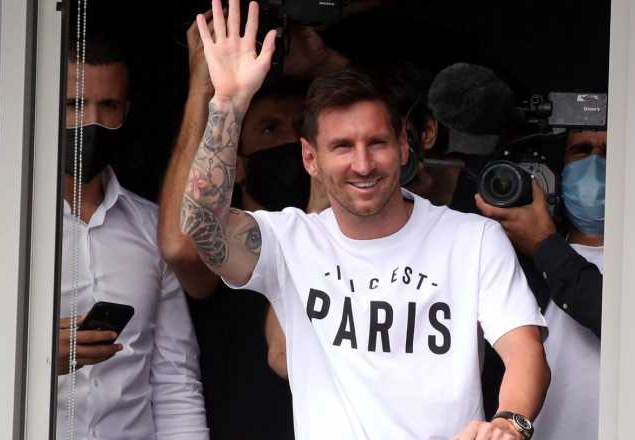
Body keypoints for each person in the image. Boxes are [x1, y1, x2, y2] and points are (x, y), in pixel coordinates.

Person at [179, 2, 549, 439]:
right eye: (342, 147)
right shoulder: (288, 240)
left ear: (404, 147)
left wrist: (510, 422)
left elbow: (525, 350)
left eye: (377, 143)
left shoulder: (473, 238)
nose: (362, 164)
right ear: (310, 158)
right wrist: (228, 103)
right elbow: (202, 226)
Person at [0, 33, 208, 440]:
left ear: (125, 112)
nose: (91, 121)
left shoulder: (151, 226)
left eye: (108, 106)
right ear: (43, 107)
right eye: (74, 105)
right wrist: (29, 358)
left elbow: (175, 380)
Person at [157, 12, 310, 439]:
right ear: (236, 162)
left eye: (300, 130)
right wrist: (204, 87)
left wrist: (321, 61)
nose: (288, 142)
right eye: (269, 129)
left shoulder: (339, 236)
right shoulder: (224, 247)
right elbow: (180, 246)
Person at [475, 128, 607, 440]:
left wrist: (545, 244)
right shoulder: (518, 263)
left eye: (608, 152)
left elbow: (618, 320)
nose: (595, 164)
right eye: (581, 150)